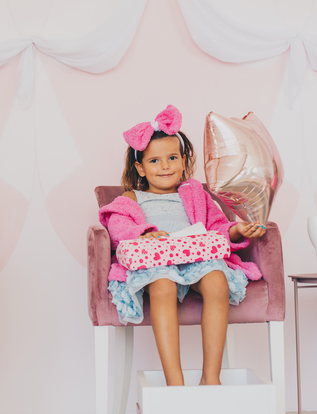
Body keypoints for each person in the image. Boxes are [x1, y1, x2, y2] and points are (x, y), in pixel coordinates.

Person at [99, 105, 265, 386]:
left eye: (172, 158)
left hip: (196, 258)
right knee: (162, 286)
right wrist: (144, 233)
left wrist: (236, 230)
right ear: (140, 167)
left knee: (217, 281)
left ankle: (210, 378)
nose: (164, 166)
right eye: (154, 161)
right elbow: (117, 227)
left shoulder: (195, 194)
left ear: (184, 160)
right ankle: (175, 383)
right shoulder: (132, 198)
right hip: (158, 263)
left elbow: (216, 228)